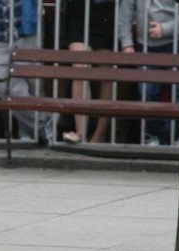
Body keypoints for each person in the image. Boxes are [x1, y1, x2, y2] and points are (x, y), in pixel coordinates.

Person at [0, 0, 53, 143]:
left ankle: (29, 129)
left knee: (34, 84)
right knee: (0, 82)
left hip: (28, 31)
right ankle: (44, 123)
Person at [118, 0, 179, 145]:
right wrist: (127, 43)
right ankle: (155, 136)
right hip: (144, 44)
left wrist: (165, 29)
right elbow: (125, 13)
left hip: (175, 42)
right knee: (146, 92)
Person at [61, 0, 117, 144]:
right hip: (79, 11)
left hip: (107, 11)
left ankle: (99, 135)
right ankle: (80, 133)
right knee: (80, 69)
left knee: (107, 75)